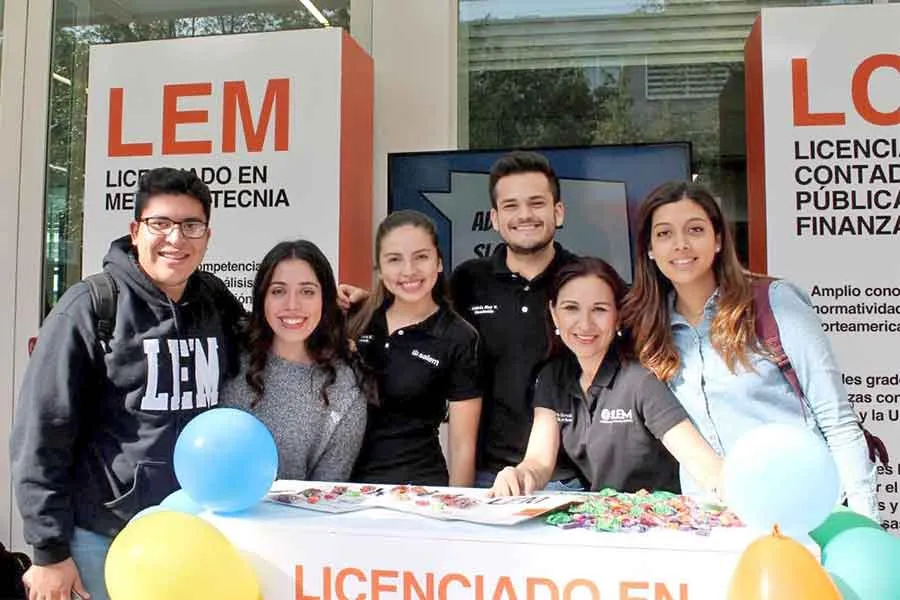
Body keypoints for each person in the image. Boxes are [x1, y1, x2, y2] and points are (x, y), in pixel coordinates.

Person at [10, 167, 245, 600]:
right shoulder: (91, 306)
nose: (176, 239)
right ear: (135, 231)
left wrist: (343, 310)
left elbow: (275, 340)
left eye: (191, 225)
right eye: (161, 223)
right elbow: (41, 433)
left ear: (207, 238)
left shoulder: (214, 302)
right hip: (102, 541)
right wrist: (48, 552)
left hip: (196, 537)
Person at [620, 181, 878, 518]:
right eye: (665, 233)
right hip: (713, 520)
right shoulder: (648, 329)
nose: (680, 244)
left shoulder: (774, 303)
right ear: (650, 249)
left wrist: (863, 521)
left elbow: (839, 422)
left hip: (802, 508)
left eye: (695, 230)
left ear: (718, 240)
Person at [490, 257, 723, 497]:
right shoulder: (552, 377)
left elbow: (702, 463)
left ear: (618, 316)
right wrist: (519, 475)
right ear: (554, 313)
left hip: (659, 522)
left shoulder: (639, 380)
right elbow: (539, 462)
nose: (585, 324)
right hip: (602, 521)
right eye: (571, 308)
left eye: (599, 309)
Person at [449, 151, 582, 489]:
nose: (525, 215)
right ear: (494, 218)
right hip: (486, 478)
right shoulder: (467, 282)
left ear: (558, 211)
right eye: (510, 206)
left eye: (537, 203)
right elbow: (414, 313)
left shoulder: (584, 280)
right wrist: (363, 303)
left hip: (573, 480)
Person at [348, 210, 481, 486]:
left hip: (417, 488)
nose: (408, 270)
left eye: (421, 257)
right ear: (380, 269)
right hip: (343, 489)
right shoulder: (355, 318)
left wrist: (457, 512)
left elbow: (462, 447)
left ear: (439, 262)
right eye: (394, 259)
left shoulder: (458, 336)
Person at [221, 240, 370, 481]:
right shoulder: (226, 354)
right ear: (262, 298)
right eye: (278, 291)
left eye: (307, 291)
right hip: (208, 514)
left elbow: (325, 492)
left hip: (296, 517)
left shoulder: (345, 388)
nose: (292, 305)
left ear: (326, 299)